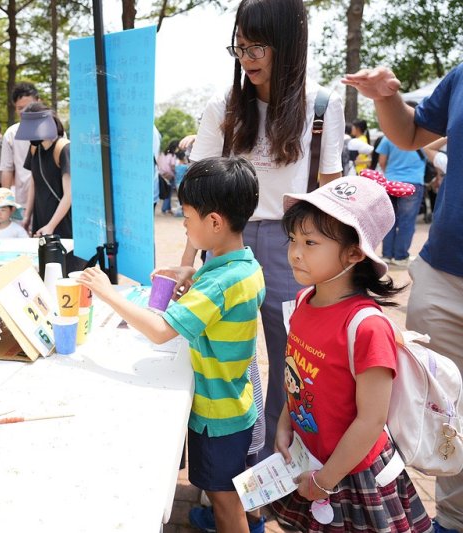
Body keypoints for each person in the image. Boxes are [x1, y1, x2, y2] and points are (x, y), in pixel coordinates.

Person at [180, 0, 344, 460]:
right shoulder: (224, 108)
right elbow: (201, 192)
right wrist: (187, 262)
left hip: (293, 246)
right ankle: (231, 475)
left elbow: (331, 195)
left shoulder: (321, 105)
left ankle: (274, 469)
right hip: (226, 242)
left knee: (293, 364)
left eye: (257, 47)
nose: (246, 58)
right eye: (240, 46)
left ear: (289, 46)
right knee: (225, 362)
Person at [80, 157, 265, 533]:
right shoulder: (245, 266)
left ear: (214, 222)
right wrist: (191, 272)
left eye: (187, 218)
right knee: (233, 486)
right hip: (236, 403)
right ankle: (249, 520)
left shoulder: (219, 284)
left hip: (217, 415)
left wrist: (106, 293)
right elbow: (223, 285)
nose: (183, 224)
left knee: (224, 499)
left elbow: (161, 330)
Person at [269, 176, 432, 532]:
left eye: (310, 242)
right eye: (293, 240)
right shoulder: (301, 301)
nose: (295, 252)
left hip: (351, 474)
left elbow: (371, 421)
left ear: (355, 253)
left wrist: (325, 481)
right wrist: (285, 423)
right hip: (311, 456)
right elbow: (297, 377)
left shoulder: (367, 327)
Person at [343, 63, 463, 533]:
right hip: (442, 274)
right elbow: (412, 133)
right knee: (444, 410)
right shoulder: (459, 76)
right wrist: (386, 98)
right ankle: (451, 521)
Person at [16, 102, 72, 238]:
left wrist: (51, 226)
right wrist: (27, 216)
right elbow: (34, 182)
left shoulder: (64, 148)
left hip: (63, 222)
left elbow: (69, 194)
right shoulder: (35, 148)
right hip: (41, 217)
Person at [374, 130, 426, 267]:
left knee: (389, 220)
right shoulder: (424, 138)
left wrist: (392, 175)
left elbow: (382, 161)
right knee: (407, 222)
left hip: (391, 183)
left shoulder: (389, 136)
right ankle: (400, 256)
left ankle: (386, 255)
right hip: (413, 183)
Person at [0, 82, 40, 222]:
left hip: (49, 201)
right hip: (21, 201)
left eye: (28, 107)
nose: (24, 112)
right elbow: (7, 170)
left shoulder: (54, 130)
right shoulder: (11, 133)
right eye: (20, 108)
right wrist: (5, 204)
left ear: (38, 101)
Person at [157, 140, 178, 215]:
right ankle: (164, 208)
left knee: (166, 190)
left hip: (161, 174)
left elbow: (158, 162)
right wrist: (176, 171)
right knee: (168, 192)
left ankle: (168, 208)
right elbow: (172, 166)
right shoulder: (173, 155)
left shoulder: (163, 153)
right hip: (169, 175)